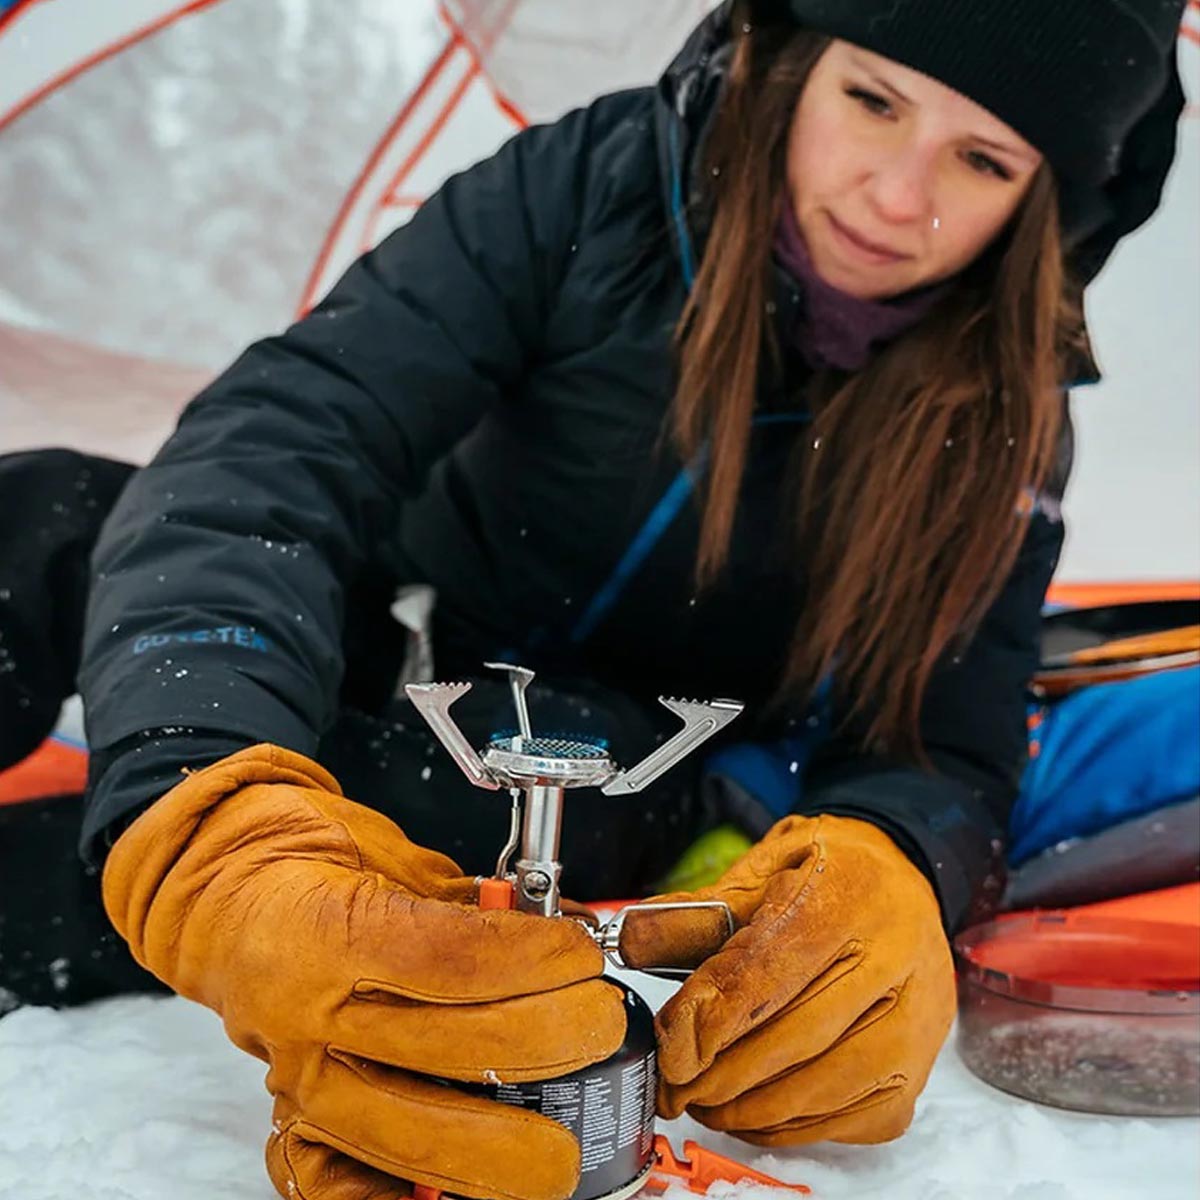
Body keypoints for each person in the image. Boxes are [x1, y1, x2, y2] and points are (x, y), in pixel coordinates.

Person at [0, 0, 1187, 1196]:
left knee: (400, 853)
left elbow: (941, 739)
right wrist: (206, 803)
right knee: (42, 515)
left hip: (638, 764)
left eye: (981, 159)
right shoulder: (596, 183)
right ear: (792, 60)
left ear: (1049, 200)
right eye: (871, 101)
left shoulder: (1007, 418)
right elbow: (287, 440)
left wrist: (893, 866)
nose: (892, 195)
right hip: (412, 634)